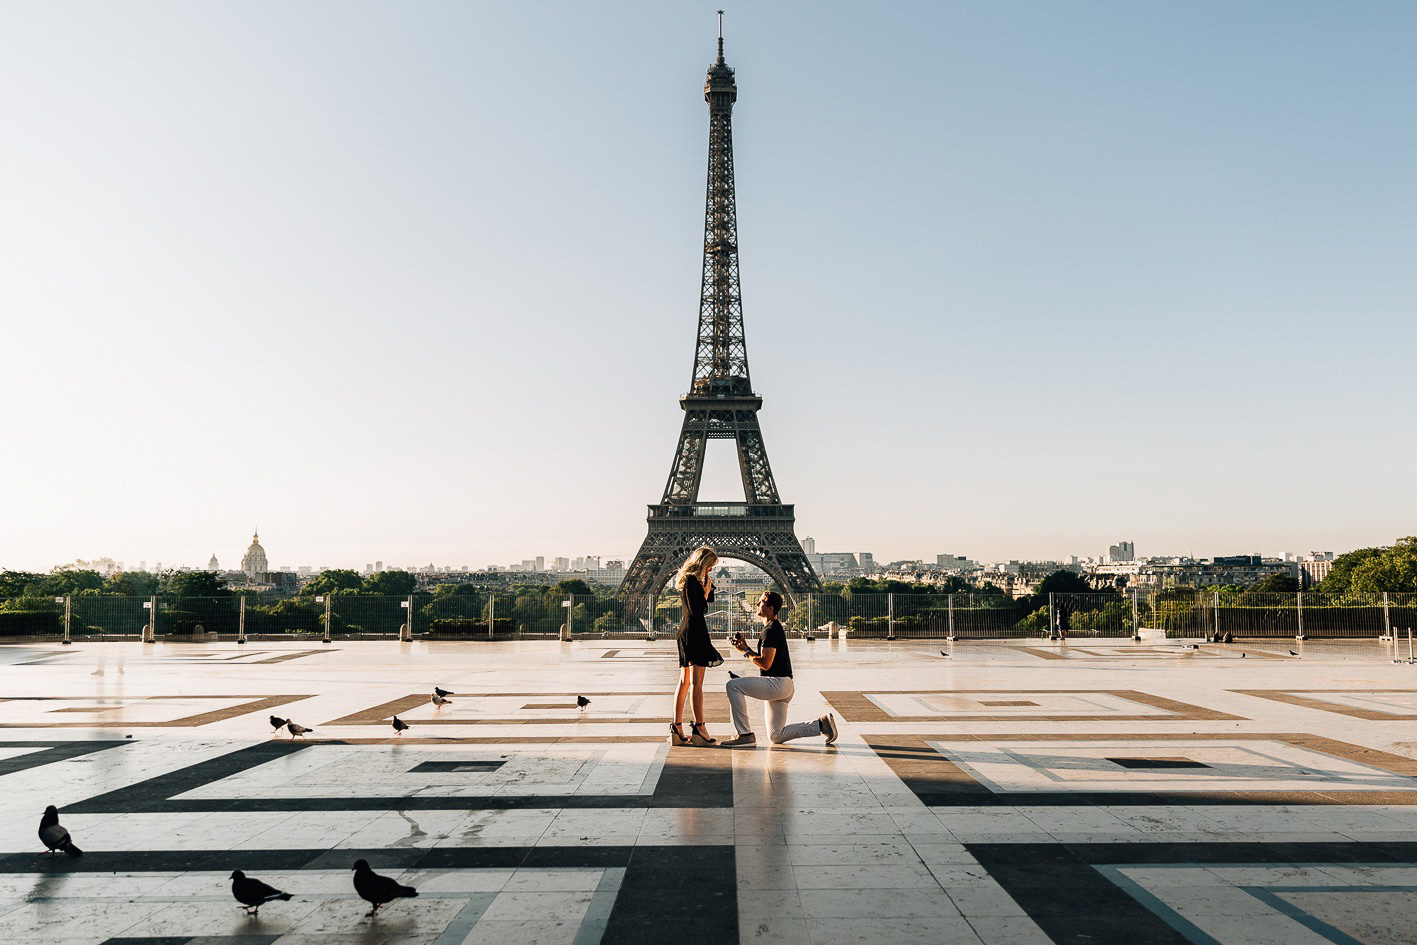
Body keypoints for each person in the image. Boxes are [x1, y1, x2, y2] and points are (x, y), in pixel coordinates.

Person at [719, 590, 838, 748]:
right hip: (784, 685)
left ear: (771, 608)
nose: (757, 604)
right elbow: (767, 658)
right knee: (776, 735)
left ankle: (745, 734)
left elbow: (766, 664)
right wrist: (746, 648)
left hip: (777, 684)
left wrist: (745, 652)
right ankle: (821, 725)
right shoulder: (772, 628)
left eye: (761, 601)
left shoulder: (771, 630)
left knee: (733, 686)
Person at [671, 546, 724, 747]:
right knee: (697, 683)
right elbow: (698, 609)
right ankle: (700, 727)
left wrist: (707, 587)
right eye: (710, 566)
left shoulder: (689, 580)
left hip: (685, 631)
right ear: (703, 563)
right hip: (695, 632)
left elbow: (708, 600)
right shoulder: (693, 581)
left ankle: (677, 727)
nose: (710, 570)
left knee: (684, 681)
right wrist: (705, 591)